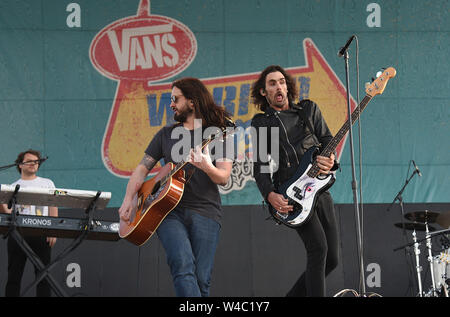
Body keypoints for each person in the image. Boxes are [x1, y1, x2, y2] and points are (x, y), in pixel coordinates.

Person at [118, 77, 234, 297]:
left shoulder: (218, 133)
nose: (171, 104)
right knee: (182, 266)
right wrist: (129, 198)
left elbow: (224, 177)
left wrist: (207, 167)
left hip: (206, 211)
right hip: (166, 211)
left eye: (175, 99)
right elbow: (142, 169)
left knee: (201, 279)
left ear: (192, 102)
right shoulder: (165, 135)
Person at [250, 65, 339, 297]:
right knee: (318, 249)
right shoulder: (263, 123)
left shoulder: (308, 110)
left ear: (287, 85)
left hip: (320, 188)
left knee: (332, 259)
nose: (278, 86)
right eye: (272, 83)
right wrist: (270, 195)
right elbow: (260, 167)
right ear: (263, 92)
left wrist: (330, 159)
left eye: (281, 81)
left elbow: (327, 139)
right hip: (292, 194)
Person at [1, 149, 58, 297]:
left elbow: (53, 206)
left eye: (36, 161)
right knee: (14, 275)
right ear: (20, 164)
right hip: (17, 234)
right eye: (30, 161)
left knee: (43, 276)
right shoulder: (12, 186)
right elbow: (8, 212)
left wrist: (53, 230)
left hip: (42, 232)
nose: (33, 164)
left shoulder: (47, 183)